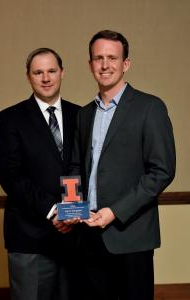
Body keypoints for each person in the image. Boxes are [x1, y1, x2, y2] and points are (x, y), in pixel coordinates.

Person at [69, 30, 176, 300]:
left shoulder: (150, 108)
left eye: (112, 58)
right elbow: (74, 167)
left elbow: (162, 171)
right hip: (87, 235)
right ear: (90, 64)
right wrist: (72, 209)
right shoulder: (84, 114)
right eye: (98, 58)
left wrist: (115, 212)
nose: (105, 65)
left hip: (131, 236)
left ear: (125, 63)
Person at [0, 48, 80, 300]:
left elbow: (84, 168)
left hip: (75, 239)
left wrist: (71, 214)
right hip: (30, 239)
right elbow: (11, 176)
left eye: (51, 71)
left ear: (62, 73)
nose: (46, 78)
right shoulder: (11, 118)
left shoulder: (81, 115)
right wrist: (55, 211)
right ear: (28, 76)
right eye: (38, 72)